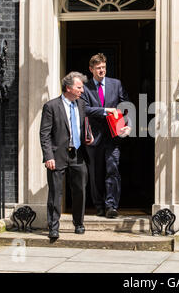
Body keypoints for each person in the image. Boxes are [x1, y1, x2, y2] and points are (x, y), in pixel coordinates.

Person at [81, 53, 131, 219]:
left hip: (113, 135)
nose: (101, 70)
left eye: (103, 67)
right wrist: (105, 111)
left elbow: (125, 106)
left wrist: (128, 125)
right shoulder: (85, 88)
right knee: (96, 174)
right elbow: (84, 109)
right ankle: (99, 205)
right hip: (94, 138)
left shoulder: (116, 84)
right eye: (98, 68)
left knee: (113, 169)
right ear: (91, 69)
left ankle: (111, 206)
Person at [40, 72, 89, 240]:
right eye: (79, 87)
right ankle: (53, 227)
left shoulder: (82, 105)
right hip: (57, 155)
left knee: (80, 190)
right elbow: (44, 134)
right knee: (55, 192)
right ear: (68, 88)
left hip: (78, 154)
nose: (82, 90)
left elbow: (84, 126)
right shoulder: (51, 106)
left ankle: (79, 223)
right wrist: (48, 156)